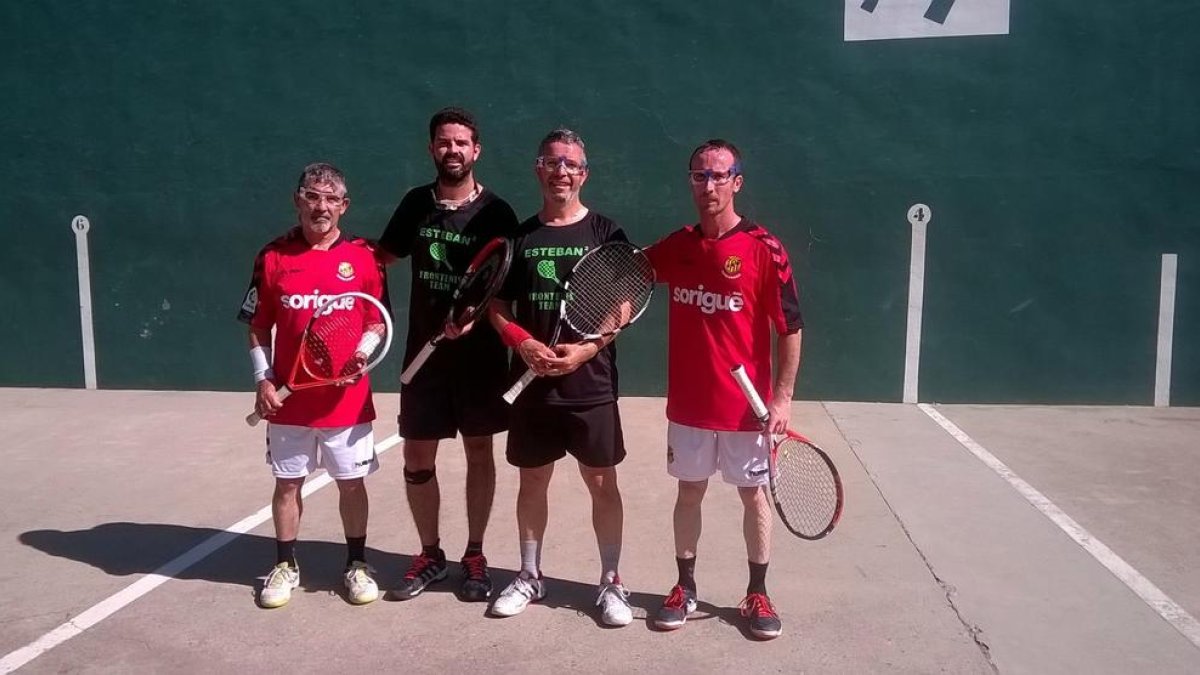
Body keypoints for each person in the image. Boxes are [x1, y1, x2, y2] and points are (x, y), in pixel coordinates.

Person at [646, 140, 804, 640]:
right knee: (688, 492)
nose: (708, 186)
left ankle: (757, 592)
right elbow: (631, 278)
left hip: (745, 412)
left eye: (718, 176)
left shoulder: (764, 248)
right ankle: (684, 587)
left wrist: (782, 398)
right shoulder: (677, 246)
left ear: (737, 181)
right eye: (699, 176)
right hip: (690, 406)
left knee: (753, 497)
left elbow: (790, 328)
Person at [485, 129, 633, 626]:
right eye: (552, 162)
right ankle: (529, 575)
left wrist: (586, 349)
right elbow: (499, 307)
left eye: (571, 164)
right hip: (533, 387)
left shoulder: (607, 234)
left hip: (589, 386)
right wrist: (521, 342)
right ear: (538, 169)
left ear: (584, 173)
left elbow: (623, 303)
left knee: (601, 482)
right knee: (532, 480)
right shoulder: (521, 238)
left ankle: (611, 583)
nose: (562, 172)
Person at [376, 107, 519, 602]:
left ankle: (475, 554)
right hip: (424, 357)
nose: (452, 150)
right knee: (417, 454)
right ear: (432, 149)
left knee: (480, 450)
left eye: (461, 143)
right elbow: (382, 257)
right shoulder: (416, 203)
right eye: (444, 142)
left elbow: (504, 285)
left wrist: (477, 318)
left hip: (479, 362)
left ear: (476, 151)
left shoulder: (497, 213)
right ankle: (430, 553)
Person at [237, 162, 387, 609]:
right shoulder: (273, 256)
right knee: (287, 484)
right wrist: (262, 378)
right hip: (290, 403)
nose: (321, 207)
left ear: (344, 206)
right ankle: (285, 565)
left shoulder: (364, 256)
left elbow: (376, 320)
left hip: (348, 402)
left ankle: (357, 565)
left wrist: (362, 349)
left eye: (330, 199)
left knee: (352, 484)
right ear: (298, 199)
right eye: (312, 196)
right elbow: (257, 326)